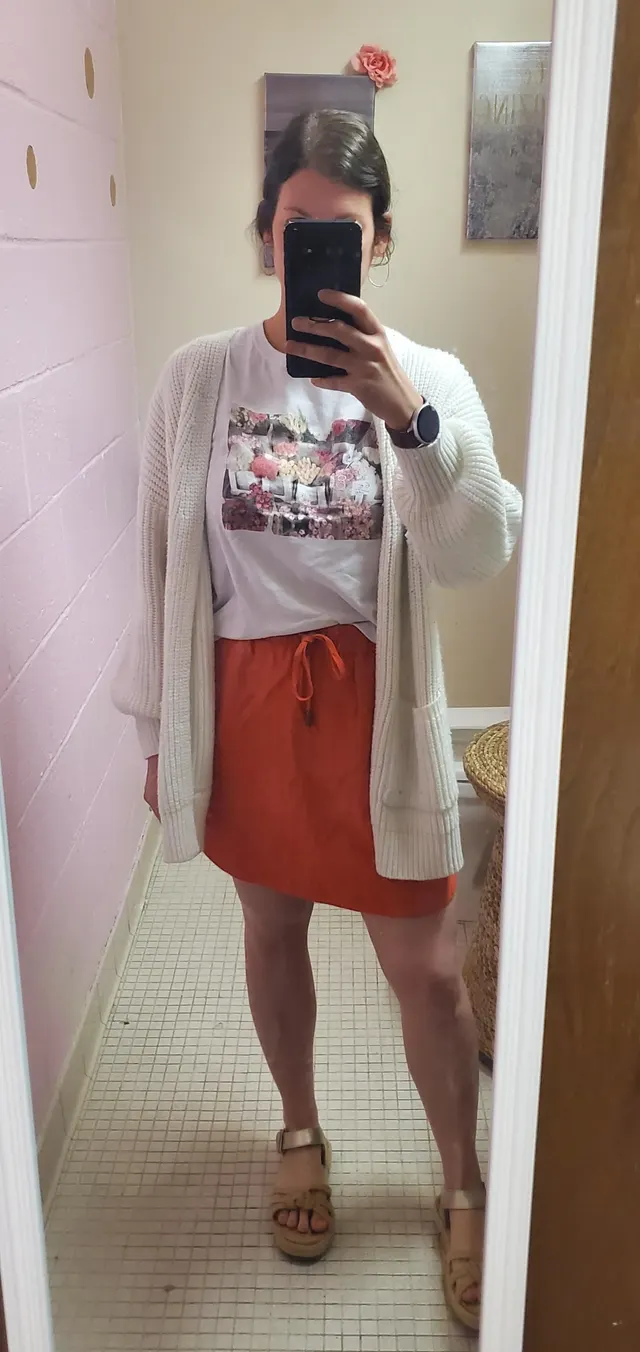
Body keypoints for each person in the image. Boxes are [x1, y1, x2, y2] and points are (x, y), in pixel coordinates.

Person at [115, 109, 522, 1333]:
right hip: (243, 710)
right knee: (269, 926)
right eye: (298, 229)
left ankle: (462, 1181)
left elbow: (478, 552)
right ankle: (298, 1127)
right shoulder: (198, 378)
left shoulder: (429, 377)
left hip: (376, 715)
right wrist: (156, 732)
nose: (318, 252)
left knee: (428, 969)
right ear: (267, 236)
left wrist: (409, 420)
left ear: (379, 240)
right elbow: (157, 563)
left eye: (342, 234)